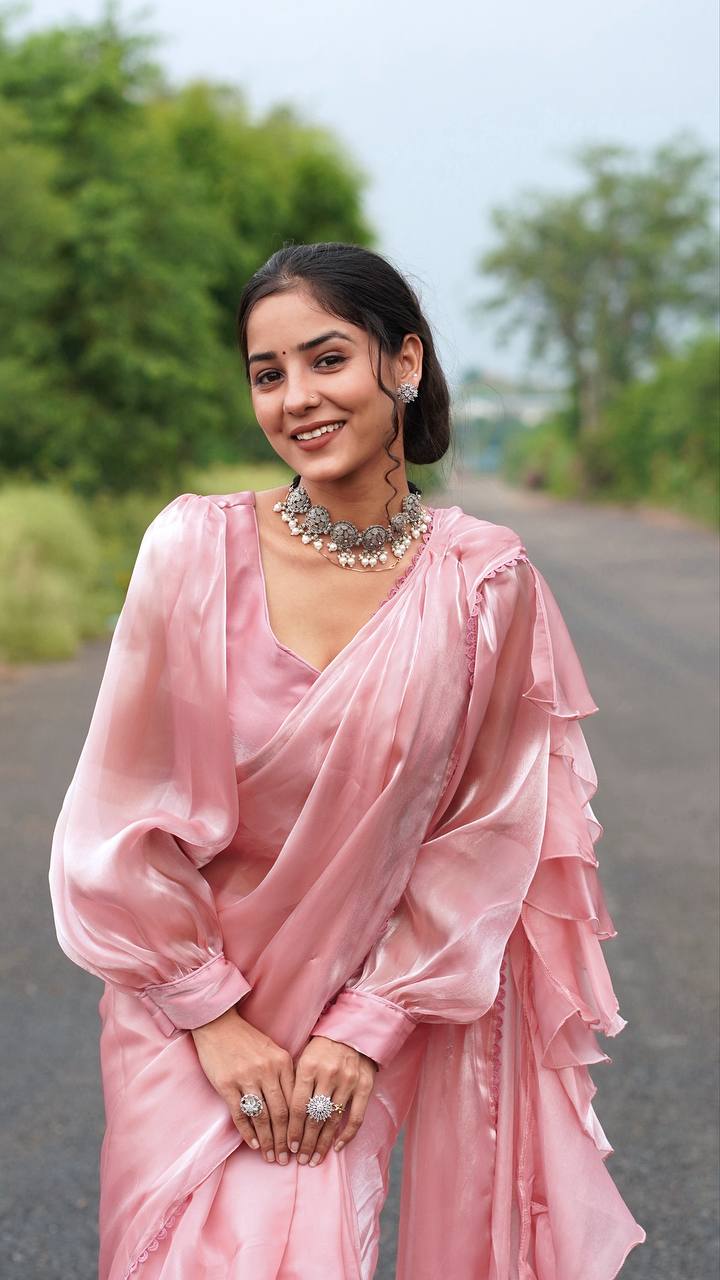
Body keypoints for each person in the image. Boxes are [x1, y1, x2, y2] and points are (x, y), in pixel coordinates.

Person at [48, 242, 646, 1279]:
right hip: (183, 1021)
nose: (296, 398)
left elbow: (485, 833)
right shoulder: (195, 552)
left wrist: (364, 1026)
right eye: (267, 373)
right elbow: (120, 824)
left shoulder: (481, 586)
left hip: (349, 1025)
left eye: (326, 359)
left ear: (402, 363)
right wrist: (211, 1018)